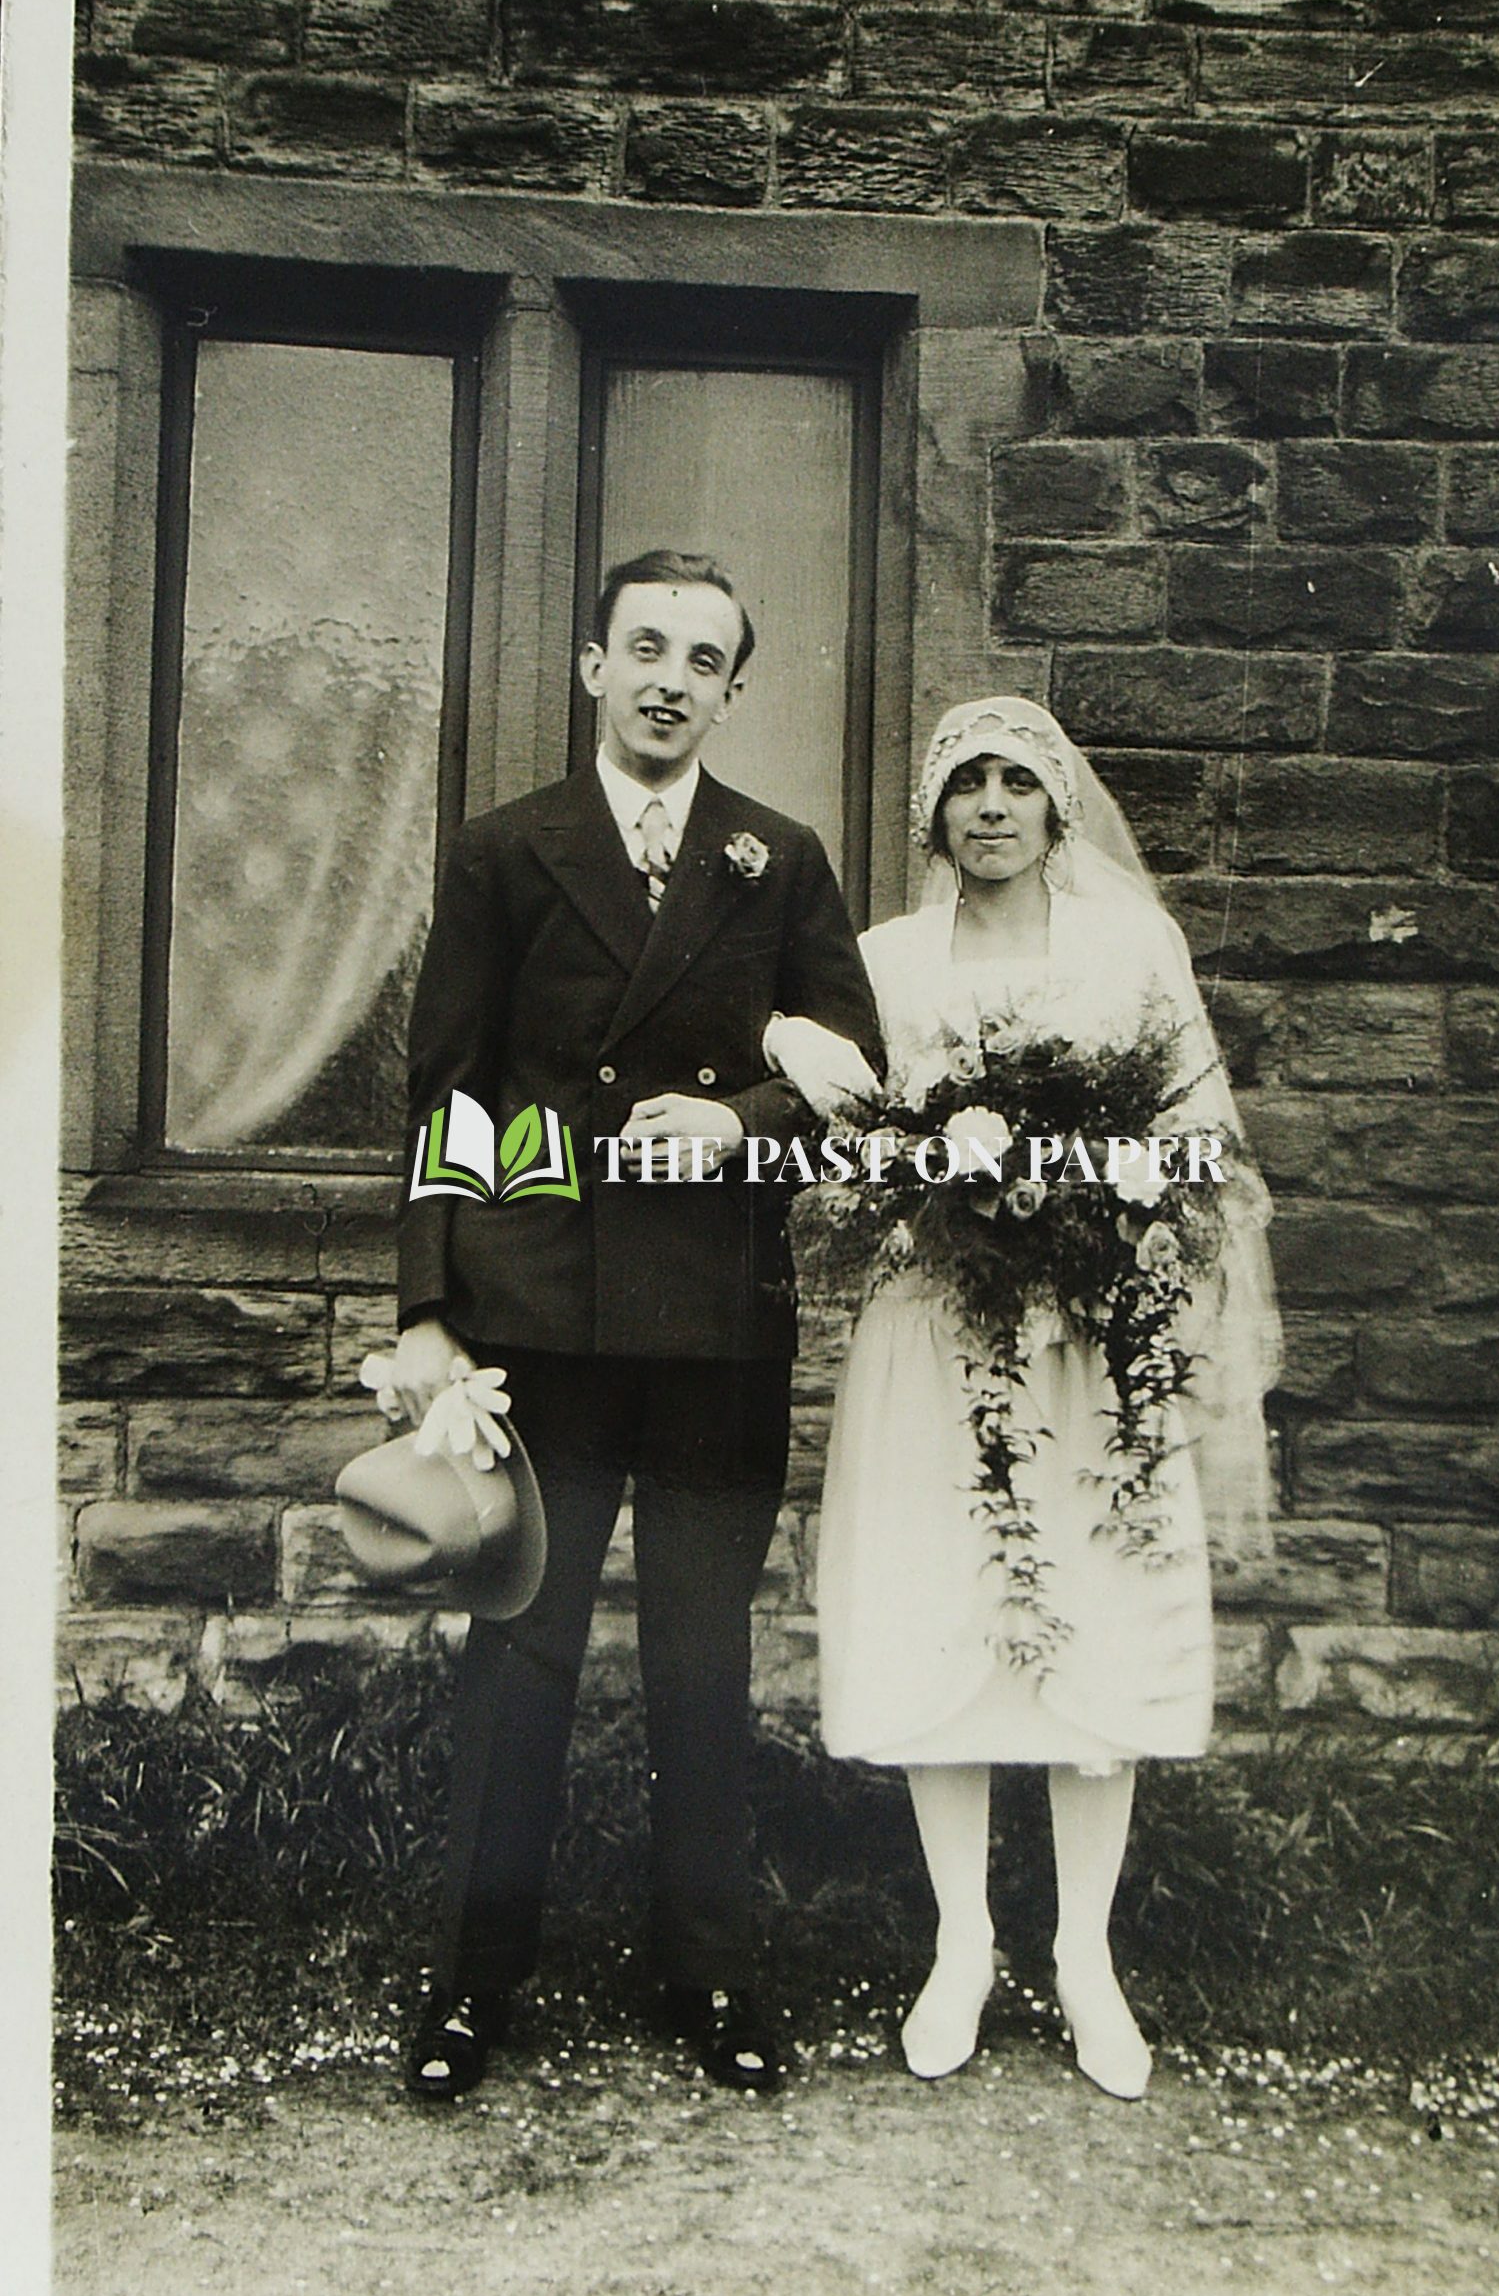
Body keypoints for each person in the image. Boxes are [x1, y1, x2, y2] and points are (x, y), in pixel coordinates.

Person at [388, 549, 882, 2101]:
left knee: (701, 1660)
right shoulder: (504, 852)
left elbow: (853, 1071)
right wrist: (426, 1311)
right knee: (520, 1651)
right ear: (594, 666)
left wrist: (740, 1124)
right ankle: (473, 1985)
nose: (671, 681)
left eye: (703, 660)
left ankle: (711, 1974)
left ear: (733, 691)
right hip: (540, 1318)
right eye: (646, 648)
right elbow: (451, 1093)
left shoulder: (780, 858)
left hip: (716, 1324)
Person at [808, 697, 1280, 2096]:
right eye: (968, 785)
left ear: (1057, 808)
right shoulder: (887, 963)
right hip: (936, 1332)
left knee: (1096, 1605)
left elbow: (1198, 1141)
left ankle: (1084, 1954)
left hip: (1092, 1334)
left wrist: (1111, 1215)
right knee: (944, 1608)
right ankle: (961, 1943)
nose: (993, 808)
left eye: (1018, 783)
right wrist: (929, 1192)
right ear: (935, 816)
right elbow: (853, 1154)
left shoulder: (1129, 949)